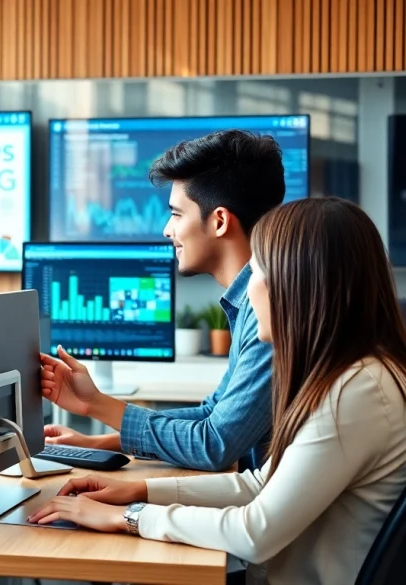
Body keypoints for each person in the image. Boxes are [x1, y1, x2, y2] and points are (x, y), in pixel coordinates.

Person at [30, 197, 406, 585]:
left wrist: (131, 517)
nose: (247, 291)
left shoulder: (357, 392)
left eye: (257, 269)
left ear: (299, 282)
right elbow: (260, 484)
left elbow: (254, 532)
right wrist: (136, 491)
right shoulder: (348, 376)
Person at [43, 129, 285, 472]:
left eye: (176, 214)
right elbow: (211, 415)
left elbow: (214, 444)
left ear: (219, 221)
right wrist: (97, 436)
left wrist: (97, 406)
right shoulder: (249, 302)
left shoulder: (272, 314)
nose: (167, 231)